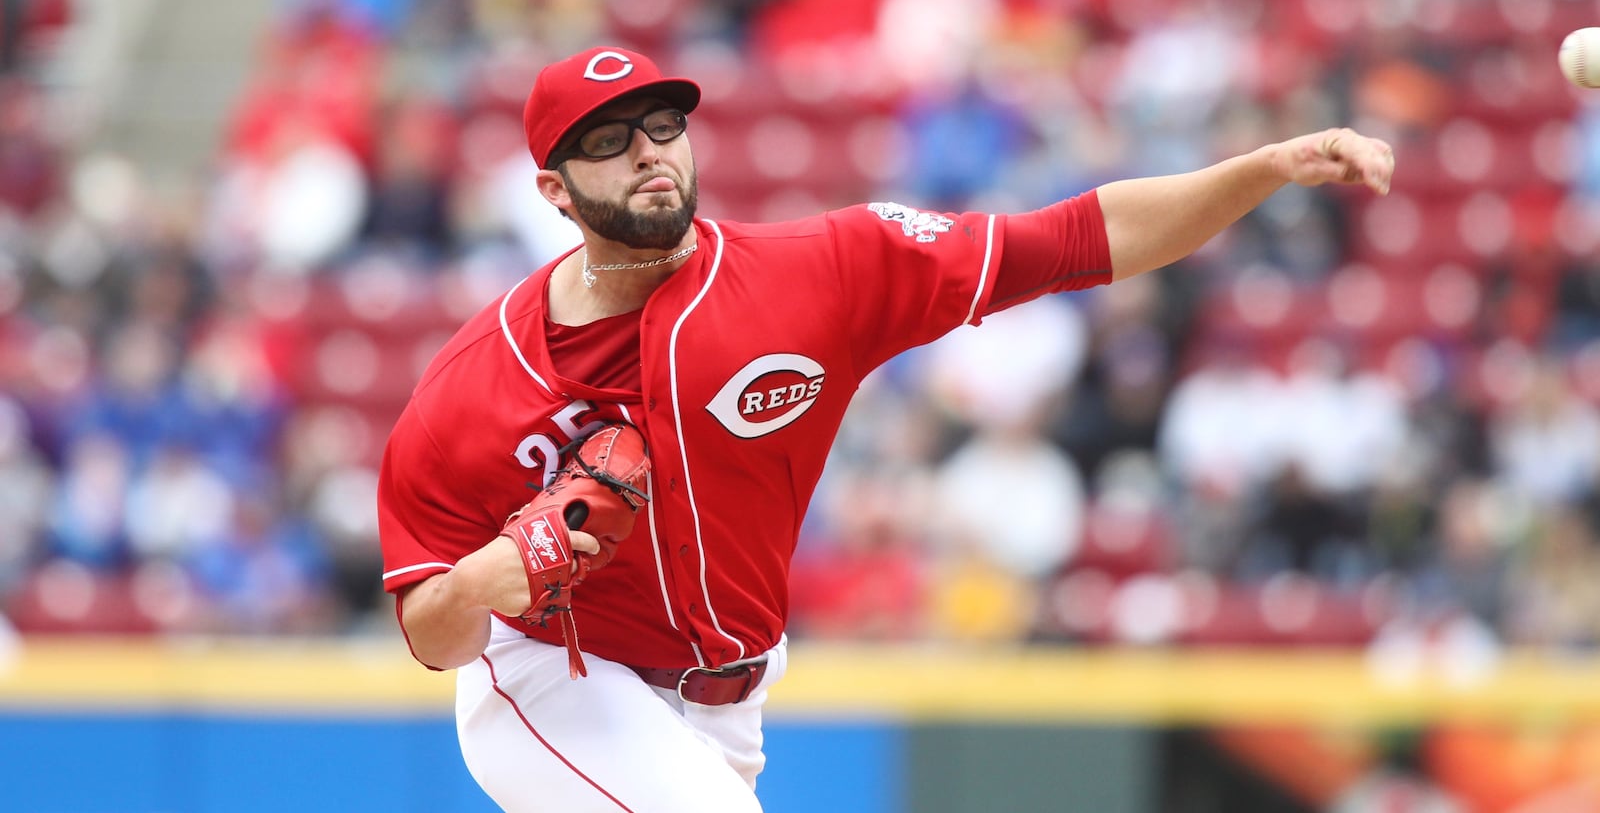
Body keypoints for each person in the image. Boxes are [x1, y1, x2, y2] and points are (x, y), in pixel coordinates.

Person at [376, 45, 1395, 812]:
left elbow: (1077, 240)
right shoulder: (477, 389)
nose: (647, 152)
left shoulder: (823, 273)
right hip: (557, 676)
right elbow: (432, 631)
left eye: (660, 124)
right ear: (554, 190)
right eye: (606, 140)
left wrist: (1260, 169)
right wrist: (484, 579)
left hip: (731, 696)